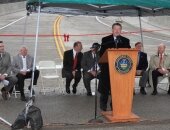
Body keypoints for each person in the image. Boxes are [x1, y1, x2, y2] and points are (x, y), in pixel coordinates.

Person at [99, 23, 131, 111]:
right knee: (105, 87)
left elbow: (129, 53)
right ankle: (103, 104)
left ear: (121, 30)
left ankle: (114, 104)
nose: (117, 31)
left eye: (119, 29)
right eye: (115, 29)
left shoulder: (126, 40)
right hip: (107, 67)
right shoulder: (105, 39)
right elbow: (101, 53)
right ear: (112, 30)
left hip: (120, 68)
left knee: (117, 88)